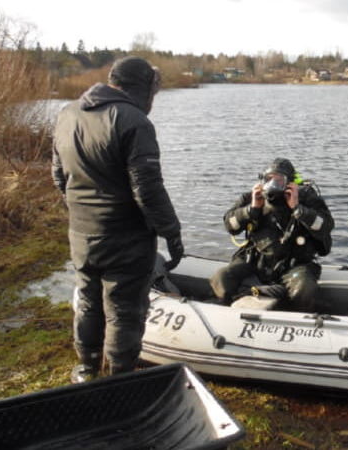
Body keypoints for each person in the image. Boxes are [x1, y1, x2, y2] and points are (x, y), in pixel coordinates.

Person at [52, 56, 185, 383]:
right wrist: (172, 232)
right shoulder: (133, 121)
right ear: (143, 88)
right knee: (125, 310)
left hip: (82, 233)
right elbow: (147, 190)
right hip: (126, 237)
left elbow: (58, 176)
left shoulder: (67, 114)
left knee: (88, 298)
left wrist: (83, 214)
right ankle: (119, 379)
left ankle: (87, 369)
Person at [209, 158, 333, 311]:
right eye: (269, 179)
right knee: (221, 277)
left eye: (279, 180)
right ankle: (231, 310)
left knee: (304, 288)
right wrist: (251, 210)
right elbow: (231, 226)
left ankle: (292, 316)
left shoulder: (306, 198)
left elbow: (326, 225)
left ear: (290, 183)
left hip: (294, 265)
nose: (273, 185)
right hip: (257, 261)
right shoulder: (251, 198)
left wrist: (298, 209)